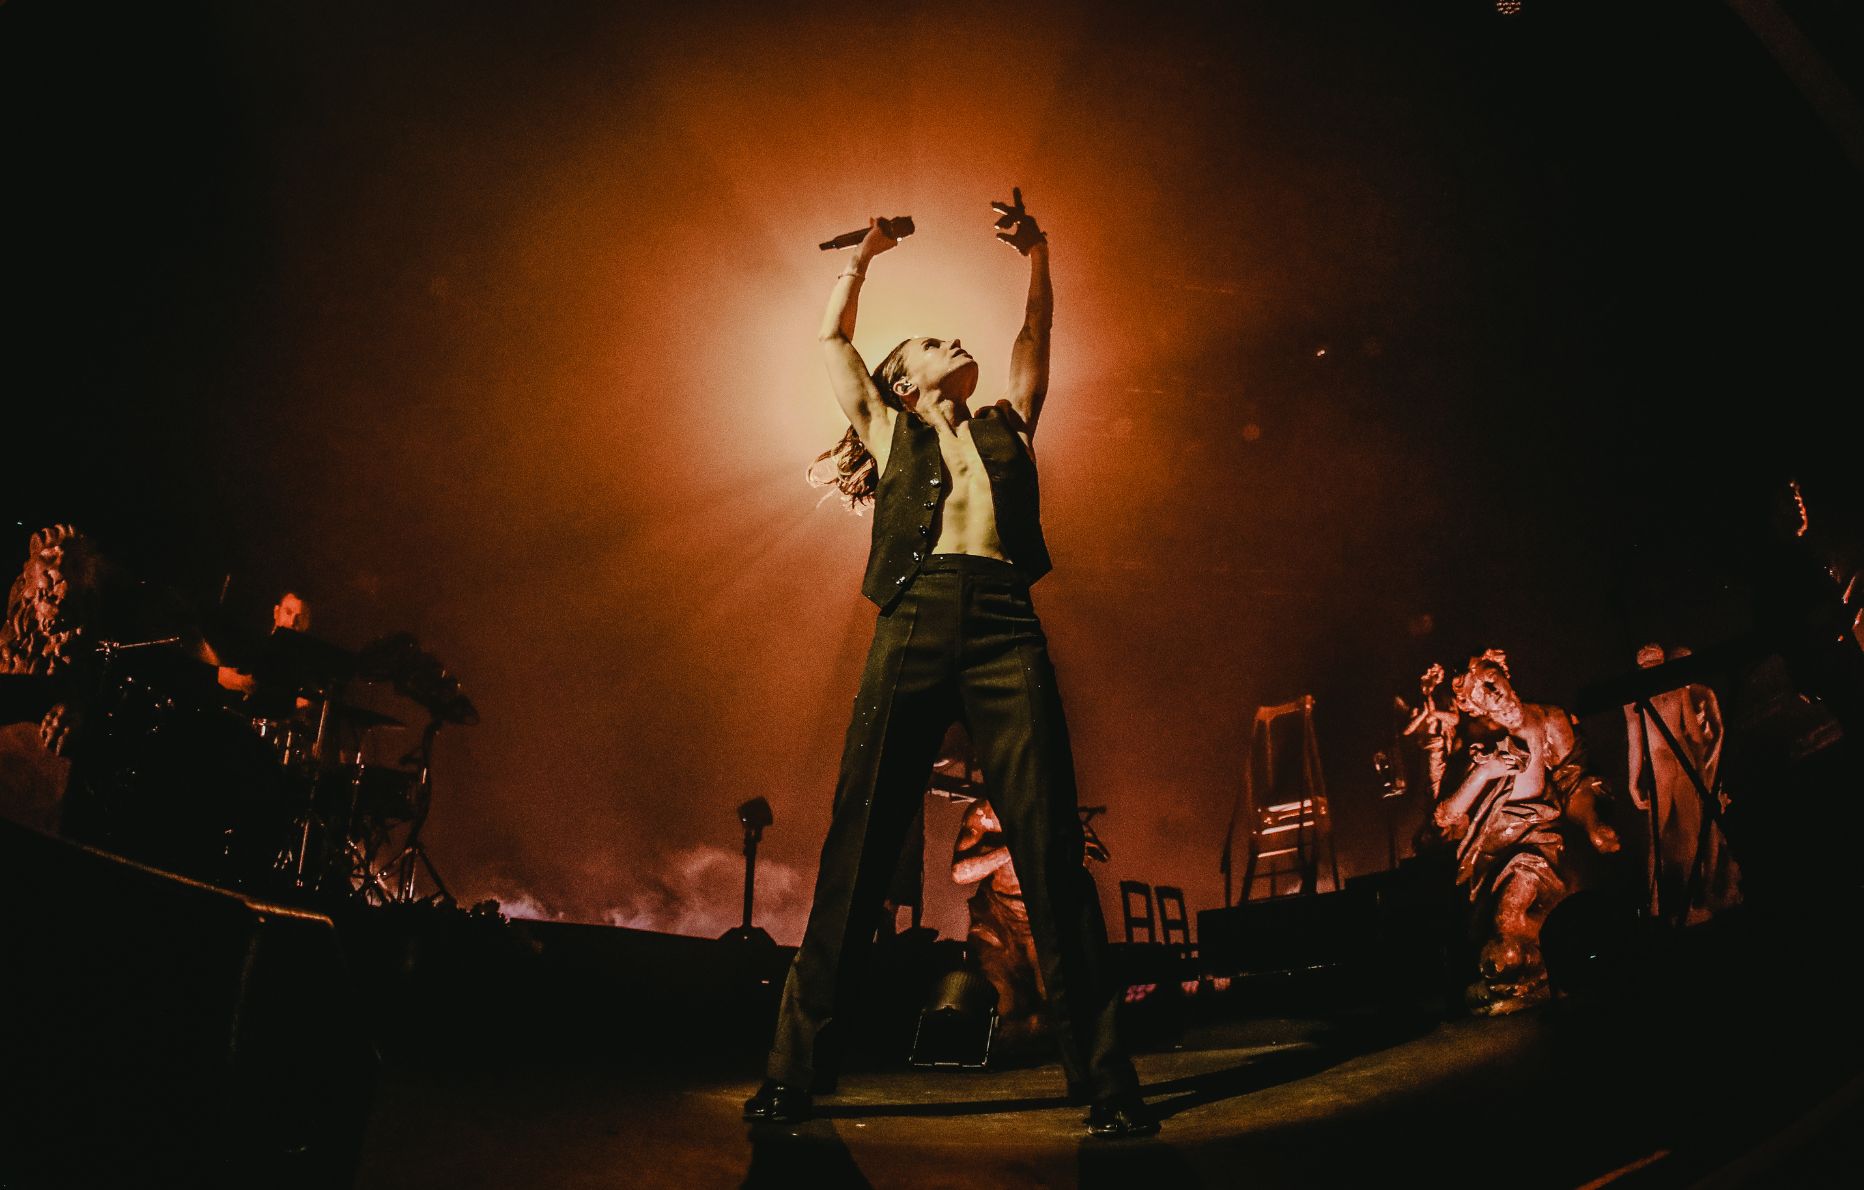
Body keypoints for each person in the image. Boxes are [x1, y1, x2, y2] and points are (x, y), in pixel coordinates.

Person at [745, 192, 1156, 1137]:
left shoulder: (1010, 420)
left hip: (1008, 623)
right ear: (903, 381)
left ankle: (1106, 1086)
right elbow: (831, 346)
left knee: (1050, 852)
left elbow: (1035, 330)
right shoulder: (893, 433)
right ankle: (794, 1074)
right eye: (929, 343)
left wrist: (1040, 253)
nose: (948, 343)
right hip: (916, 615)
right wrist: (866, 257)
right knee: (859, 844)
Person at [1419, 651, 1622, 1015]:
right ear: (1471, 707)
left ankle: (1532, 966)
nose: (1491, 693)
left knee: (1511, 923)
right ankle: (1525, 970)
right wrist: (1485, 771)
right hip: (1487, 860)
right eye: (1479, 694)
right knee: (1499, 944)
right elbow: (1444, 819)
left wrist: (1593, 824)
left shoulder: (1548, 720)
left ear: (1505, 673)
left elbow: (1573, 782)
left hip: (1539, 848)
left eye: (1491, 680)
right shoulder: (1472, 745)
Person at [1623, 644, 1741, 924]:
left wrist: (1632, 782)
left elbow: (1635, 742)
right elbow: (1695, 735)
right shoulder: (1677, 688)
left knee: (1659, 834)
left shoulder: (1632, 699)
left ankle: (1656, 904)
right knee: (1689, 835)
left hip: (1661, 764)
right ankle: (1693, 900)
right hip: (1682, 758)